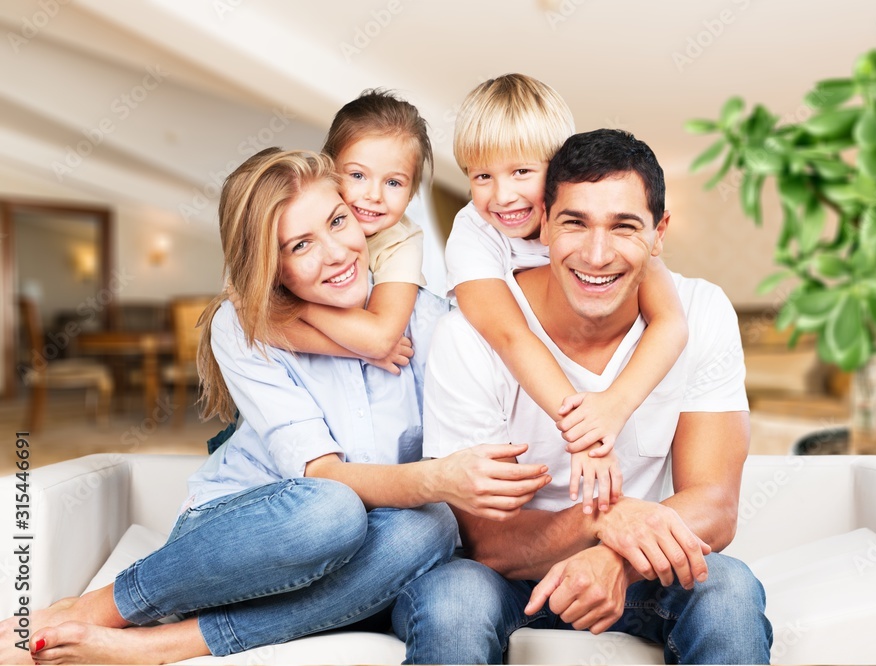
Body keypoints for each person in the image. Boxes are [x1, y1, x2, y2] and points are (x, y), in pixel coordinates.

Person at [0, 149, 549, 665]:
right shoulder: (245, 328)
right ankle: (96, 611)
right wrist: (436, 480)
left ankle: (158, 646)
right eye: (299, 245)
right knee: (332, 508)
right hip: (249, 540)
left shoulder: (431, 322)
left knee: (429, 530)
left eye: (337, 222)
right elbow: (326, 478)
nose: (336, 254)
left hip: (381, 555)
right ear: (272, 266)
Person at [393, 129, 772, 664]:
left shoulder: (700, 312)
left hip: (638, 573)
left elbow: (715, 505)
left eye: (624, 226)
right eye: (575, 222)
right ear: (543, 222)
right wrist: (597, 521)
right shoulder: (468, 335)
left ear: (659, 233)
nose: (597, 254)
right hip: (507, 579)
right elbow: (487, 544)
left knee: (726, 590)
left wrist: (615, 557)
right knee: (455, 598)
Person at [447, 74, 689, 513]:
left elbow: (671, 323)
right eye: (482, 175)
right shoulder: (474, 232)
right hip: (500, 385)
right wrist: (583, 435)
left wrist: (613, 408)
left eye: (521, 171)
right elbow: (509, 335)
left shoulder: (597, 219)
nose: (502, 196)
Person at [250, 89, 433, 370]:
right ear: (329, 170)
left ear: (410, 194)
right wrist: (359, 352)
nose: (374, 195)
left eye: (394, 183)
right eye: (358, 175)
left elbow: (381, 339)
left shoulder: (403, 241)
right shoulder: (292, 214)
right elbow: (256, 322)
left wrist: (296, 305)